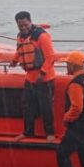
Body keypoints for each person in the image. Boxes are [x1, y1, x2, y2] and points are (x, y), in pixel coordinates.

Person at [11, 11, 57, 142]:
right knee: (26, 105)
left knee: (46, 106)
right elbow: (19, 50)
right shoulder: (20, 36)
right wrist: (14, 61)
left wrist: (42, 73)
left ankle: (50, 133)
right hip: (30, 77)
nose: (23, 28)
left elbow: (50, 57)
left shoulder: (41, 36)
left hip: (45, 78)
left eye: (25, 25)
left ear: (30, 21)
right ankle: (28, 132)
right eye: (20, 26)